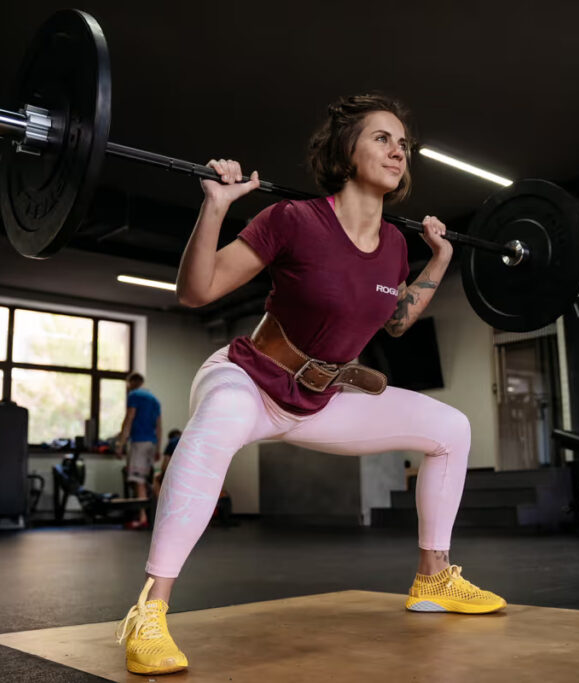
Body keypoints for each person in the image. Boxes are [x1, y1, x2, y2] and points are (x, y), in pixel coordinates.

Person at [114, 94, 506, 676]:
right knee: (216, 425)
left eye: (403, 143)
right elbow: (196, 293)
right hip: (249, 379)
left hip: (322, 399)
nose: (397, 150)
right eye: (382, 138)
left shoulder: (396, 245)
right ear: (347, 150)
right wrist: (217, 207)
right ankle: (149, 610)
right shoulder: (292, 220)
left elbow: (395, 321)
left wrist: (439, 261)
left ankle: (433, 577)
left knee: (450, 427)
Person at [115, 372, 162, 530]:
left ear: (132, 383)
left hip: (139, 442)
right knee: (152, 480)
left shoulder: (134, 395)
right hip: (151, 443)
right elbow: (159, 426)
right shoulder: (155, 399)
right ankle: (165, 516)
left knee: (138, 480)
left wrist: (120, 444)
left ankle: (143, 518)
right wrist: (158, 448)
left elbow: (129, 419)